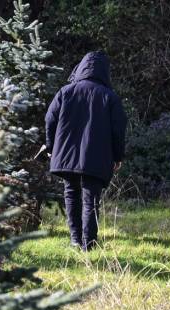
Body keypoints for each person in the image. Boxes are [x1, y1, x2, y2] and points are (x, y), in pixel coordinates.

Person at [45, 51, 127, 251]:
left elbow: (50, 119)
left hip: (65, 154)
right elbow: (119, 129)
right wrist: (117, 156)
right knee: (91, 198)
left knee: (71, 193)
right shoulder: (110, 97)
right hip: (96, 157)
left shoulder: (65, 92)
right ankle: (88, 244)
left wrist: (50, 147)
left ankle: (75, 239)